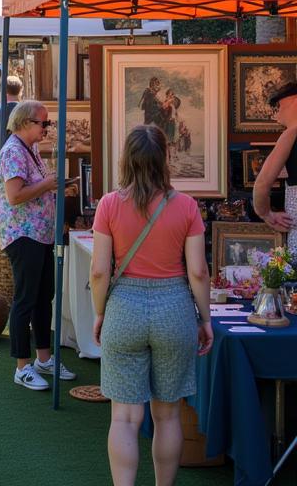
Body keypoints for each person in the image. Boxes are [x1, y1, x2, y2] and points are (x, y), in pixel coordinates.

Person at [90, 124, 212, 486]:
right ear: (166, 158)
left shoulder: (109, 205)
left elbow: (99, 271)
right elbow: (199, 272)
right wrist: (204, 319)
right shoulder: (187, 207)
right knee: (168, 416)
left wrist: (100, 312)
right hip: (174, 309)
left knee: (124, 418)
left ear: (126, 159)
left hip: (124, 308)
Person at [0, 100, 77, 391]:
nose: (47, 128)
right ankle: (22, 366)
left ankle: (44, 357)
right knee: (26, 298)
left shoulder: (28, 149)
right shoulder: (14, 152)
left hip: (38, 233)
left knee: (44, 296)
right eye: (43, 123)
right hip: (23, 235)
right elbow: (15, 196)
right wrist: (50, 184)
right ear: (26, 123)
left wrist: (55, 185)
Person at [252, 81, 297, 252]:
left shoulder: (292, 132)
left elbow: (262, 184)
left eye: (278, 106)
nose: (276, 115)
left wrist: (266, 214)